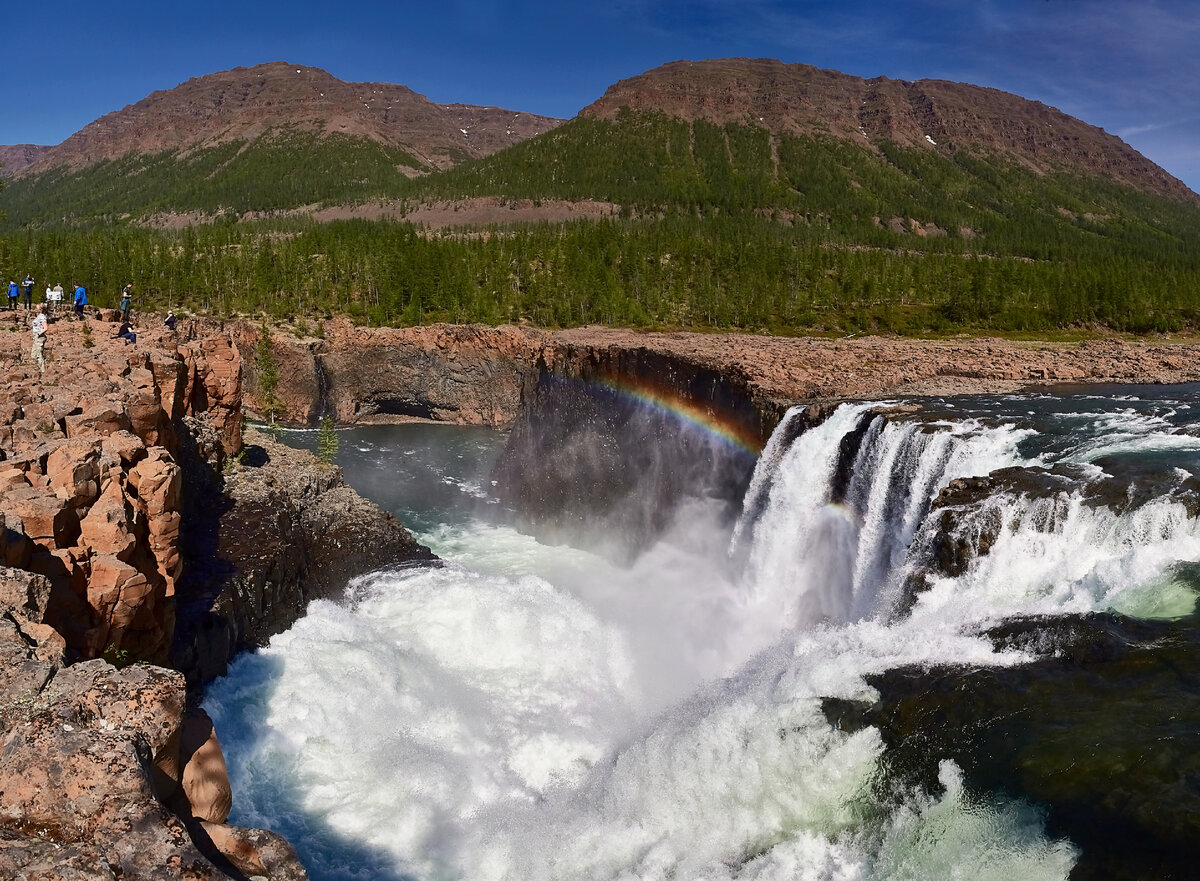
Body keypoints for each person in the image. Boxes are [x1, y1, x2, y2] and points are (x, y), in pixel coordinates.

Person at [30, 305, 48, 373]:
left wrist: (38, 334)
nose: (35, 308)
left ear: (40, 309)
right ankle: (37, 370)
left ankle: (43, 371)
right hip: (36, 337)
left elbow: (45, 328)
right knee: (34, 355)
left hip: (39, 337)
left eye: (37, 307)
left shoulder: (42, 317)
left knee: (38, 355)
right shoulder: (39, 316)